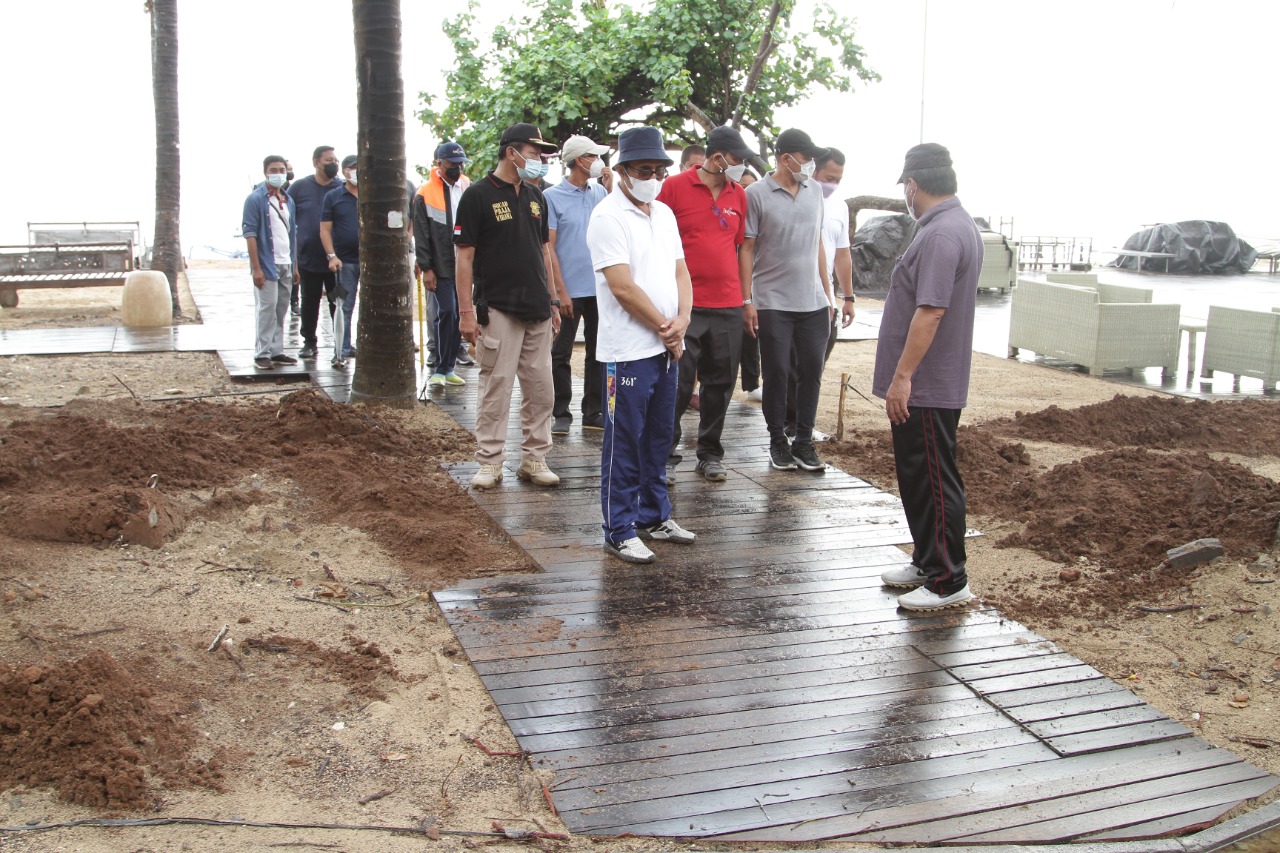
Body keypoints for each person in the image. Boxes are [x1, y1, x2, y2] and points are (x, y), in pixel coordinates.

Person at [875, 142, 982, 612]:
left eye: (906, 187)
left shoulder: (942, 234)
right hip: (926, 380)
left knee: (935, 479)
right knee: (917, 474)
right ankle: (926, 560)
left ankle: (948, 579)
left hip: (928, 382)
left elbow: (931, 311)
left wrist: (903, 377)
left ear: (913, 185)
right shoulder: (948, 225)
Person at [587, 126, 695, 564]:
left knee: (659, 436)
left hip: (666, 348)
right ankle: (619, 528)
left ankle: (655, 515)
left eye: (659, 170)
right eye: (644, 170)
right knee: (625, 441)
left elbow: (681, 271)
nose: (653, 178)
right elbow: (622, 287)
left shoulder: (664, 213)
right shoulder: (607, 217)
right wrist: (666, 327)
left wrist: (683, 320)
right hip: (628, 351)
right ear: (623, 171)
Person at [455, 122, 562, 490]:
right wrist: (466, 313)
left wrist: (553, 300)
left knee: (541, 389)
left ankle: (534, 458)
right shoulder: (478, 195)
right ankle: (490, 461)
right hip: (497, 307)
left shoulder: (536, 196)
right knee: (495, 388)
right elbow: (464, 257)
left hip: (538, 309)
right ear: (511, 152)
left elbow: (544, 251)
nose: (540, 160)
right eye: (534, 153)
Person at [657, 125, 752, 482]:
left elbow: (741, 248)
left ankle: (710, 453)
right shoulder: (674, 187)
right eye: (737, 159)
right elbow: (657, 240)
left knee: (721, 382)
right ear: (718, 157)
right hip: (685, 304)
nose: (741, 166)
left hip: (727, 303)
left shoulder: (738, 194)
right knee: (679, 382)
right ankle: (665, 454)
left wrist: (746, 300)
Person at [740, 128, 833, 472]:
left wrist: (828, 293)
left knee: (811, 372)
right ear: (785, 158)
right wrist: (747, 299)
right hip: (772, 300)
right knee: (777, 372)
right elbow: (746, 248)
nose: (811, 165)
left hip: (813, 302)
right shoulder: (755, 194)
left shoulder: (815, 191)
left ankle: (804, 441)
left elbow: (817, 242)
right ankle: (777, 439)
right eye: (806, 159)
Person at [784, 146, 856, 435]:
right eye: (829, 178)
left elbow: (842, 253)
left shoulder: (840, 207)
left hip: (825, 300)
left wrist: (847, 297)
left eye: (838, 179)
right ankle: (789, 424)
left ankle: (802, 424)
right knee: (791, 365)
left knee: (814, 366)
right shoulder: (795, 197)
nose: (833, 184)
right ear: (813, 171)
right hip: (792, 296)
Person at [546, 134, 612, 434]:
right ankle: (560, 412)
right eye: (592, 156)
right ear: (577, 161)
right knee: (559, 352)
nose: (597, 161)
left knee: (598, 353)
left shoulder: (600, 192)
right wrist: (560, 292)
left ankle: (593, 411)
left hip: (600, 288)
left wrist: (611, 189)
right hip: (569, 289)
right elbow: (549, 247)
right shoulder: (552, 197)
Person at [414, 140, 471, 387]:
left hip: (465, 263)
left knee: (460, 313)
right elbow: (421, 233)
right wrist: (427, 267)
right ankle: (440, 366)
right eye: (452, 163)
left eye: (460, 164)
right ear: (439, 163)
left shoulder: (467, 186)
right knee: (446, 312)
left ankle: (449, 367)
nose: (457, 168)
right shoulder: (425, 192)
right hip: (442, 263)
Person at [242, 155, 299, 371]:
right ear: (265, 172)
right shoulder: (255, 199)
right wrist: (256, 268)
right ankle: (262, 353)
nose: (278, 174)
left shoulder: (288, 200)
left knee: (281, 308)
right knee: (266, 308)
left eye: (281, 170)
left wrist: (295, 266)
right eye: (273, 170)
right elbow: (250, 234)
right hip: (267, 262)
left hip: (286, 262)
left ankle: (276, 350)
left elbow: (292, 234)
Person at [320, 155, 360, 363]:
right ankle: (341, 351)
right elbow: (325, 229)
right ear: (345, 171)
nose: (358, 171)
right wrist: (332, 256)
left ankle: (363, 347)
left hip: (371, 263)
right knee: (343, 305)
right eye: (354, 168)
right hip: (344, 262)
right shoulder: (333, 196)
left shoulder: (372, 194)